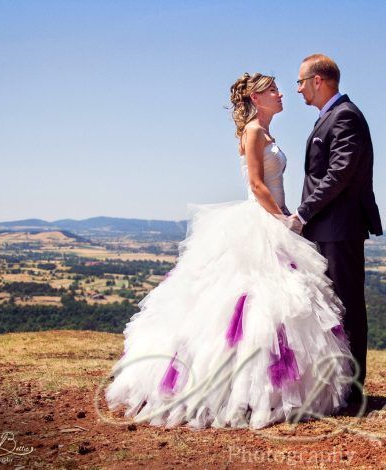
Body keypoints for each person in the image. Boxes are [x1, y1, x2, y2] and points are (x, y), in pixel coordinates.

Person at [105, 72, 354, 429]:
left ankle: (271, 389)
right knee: (249, 306)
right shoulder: (253, 132)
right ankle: (234, 391)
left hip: (275, 220)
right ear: (256, 98)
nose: (281, 93)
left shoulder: (267, 133)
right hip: (263, 220)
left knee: (282, 306)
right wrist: (284, 218)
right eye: (272, 90)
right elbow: (255, 183)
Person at [288, 54, 383, 404]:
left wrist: (302, 213)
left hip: (339, 230)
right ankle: (336, 387)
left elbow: (338, 174)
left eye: (300, 81)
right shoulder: (330, 116)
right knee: (330, 308)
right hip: (325, 229)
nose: (297, 88)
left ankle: (353, 392)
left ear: (318, 80)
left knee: (348, 307)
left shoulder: (345, 116)